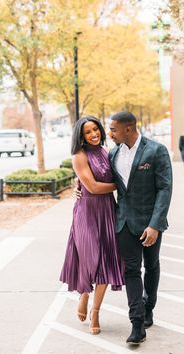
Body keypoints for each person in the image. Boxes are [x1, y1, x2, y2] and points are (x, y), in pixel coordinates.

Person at [108, 111, 173, 344]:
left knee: (152, 265)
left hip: (150, 223)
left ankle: (149, 307)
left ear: (128, 128)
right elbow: (105, 181)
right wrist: (80, 188)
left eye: (113, 129)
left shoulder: (156, 151)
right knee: (131, 271)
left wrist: (155, 224)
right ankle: (136, 323)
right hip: (124, 221)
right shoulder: (113, 153)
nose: (110, 133)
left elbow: (164, 189)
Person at [60, 116, 124, 335]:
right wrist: (123, 186)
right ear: (81, 136)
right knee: (89, 260)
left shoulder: (107, 151)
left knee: (105, 261)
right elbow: (94, 187)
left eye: (95, 129)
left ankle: (95, 311)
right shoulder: (78, 156)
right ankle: (84, 294)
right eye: (88, 132)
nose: (94, 134)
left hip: (107, 211)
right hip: (86, 213)